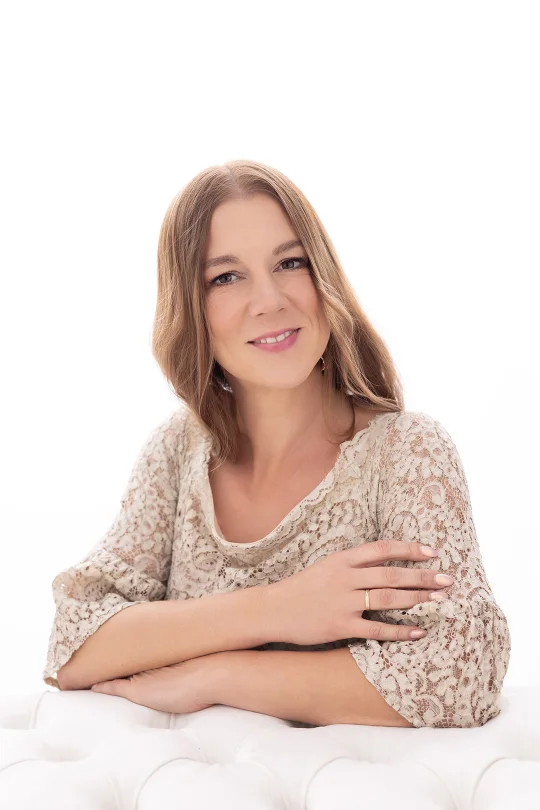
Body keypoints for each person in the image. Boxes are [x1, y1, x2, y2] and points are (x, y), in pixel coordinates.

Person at [43, 159, 510, 728]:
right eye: (226, 277)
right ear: (191, 308)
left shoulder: (405, 453)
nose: (269, 300)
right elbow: (73, 645)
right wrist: (278, 609)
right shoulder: (178, 450)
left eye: (290, 263)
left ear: (323, 278)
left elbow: (461, 675)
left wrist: (215, 675)